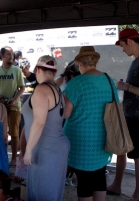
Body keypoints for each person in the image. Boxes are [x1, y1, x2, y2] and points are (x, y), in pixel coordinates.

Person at [63, 46, 117, 201]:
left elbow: (66, 113)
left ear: (79, 62)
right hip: (104, 137)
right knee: (100, 175)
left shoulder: (76, 83)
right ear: (96, 62)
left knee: (84, 180)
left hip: (81, 141)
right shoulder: (109, 80)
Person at [23, 55, 70, 200]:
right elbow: (66, 113)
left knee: (42, 193)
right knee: (51, 193)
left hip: (46, 149)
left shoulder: (42, 89)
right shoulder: (57, 89)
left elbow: (39, 122)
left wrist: (28, 150)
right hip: (55, 146)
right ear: (54, 72)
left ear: (37, 69)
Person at [107, 28, 139, 201]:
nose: (122, 49)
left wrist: (124, 86)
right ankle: (117, 184)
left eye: (122, 45)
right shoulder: (135, 61)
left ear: (130, 41)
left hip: (137, 116)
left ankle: (137, 192)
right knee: (121, 148)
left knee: (137, 155)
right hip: (130, 114)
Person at [0, 46, 25, 166]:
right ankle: (2, 158)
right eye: (8, 54)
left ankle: (14, 159)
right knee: (0, 134)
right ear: (2, 56)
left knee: (14, 133)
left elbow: (22, 87)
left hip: (14, 107)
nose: (11, 56)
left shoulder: (17, 70)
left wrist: (14, 99)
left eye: (12, 54)